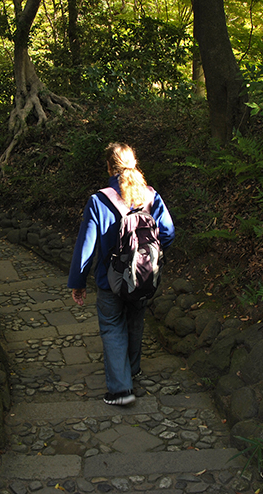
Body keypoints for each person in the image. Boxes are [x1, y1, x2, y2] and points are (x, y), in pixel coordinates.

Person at [68, 142, 175, 406]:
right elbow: (169, 232)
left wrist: (78, 282)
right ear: (134, 163)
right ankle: (133, 368)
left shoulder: (99, 201)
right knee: (135, 320)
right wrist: (150, 256)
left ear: (108, 167)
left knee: (112, 327)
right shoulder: (150, 195)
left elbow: (86, 246)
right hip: (143, 276)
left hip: (109, 280)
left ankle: (120, 390)